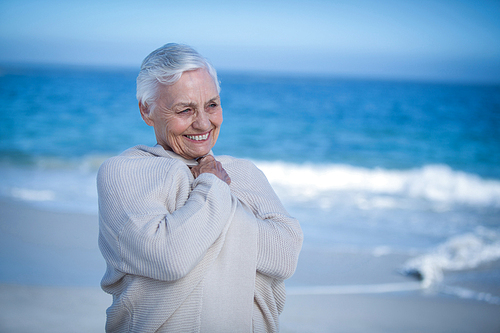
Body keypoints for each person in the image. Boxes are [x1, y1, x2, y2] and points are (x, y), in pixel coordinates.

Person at [97, 43, 303, 332]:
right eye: (185, 110)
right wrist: (213, 187)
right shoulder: (123, 172)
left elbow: (285, 256)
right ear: (147, 110)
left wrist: (195, 225)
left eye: (212, 105)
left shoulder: (244, 172)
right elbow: (170, 258)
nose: (204, 123)